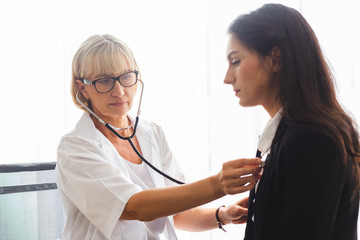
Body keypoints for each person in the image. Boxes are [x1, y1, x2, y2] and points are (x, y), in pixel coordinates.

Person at [55, 34, 262, 240]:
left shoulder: (151, 132)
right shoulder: (75, 147)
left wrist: (222, 215)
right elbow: (134, 207)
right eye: (104, 81)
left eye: (126, 77)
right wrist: (218, 184)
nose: (119, 91)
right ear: (83, 88)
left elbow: (177, 211)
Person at [224, 3, 360, 240]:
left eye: (235, 61)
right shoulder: (291, 135)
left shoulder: (310, 140)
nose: (227, 78)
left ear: (275, 58)